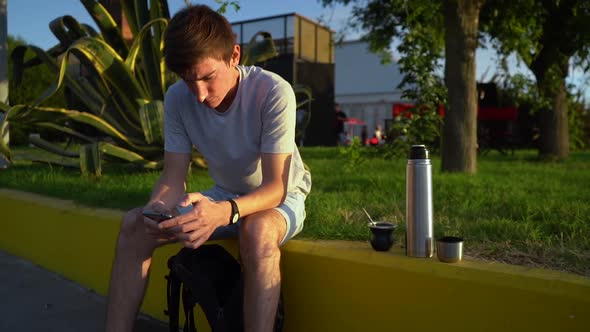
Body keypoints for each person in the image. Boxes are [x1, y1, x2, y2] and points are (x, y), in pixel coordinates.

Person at [104, 5, 311, 332]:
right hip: (223, 195)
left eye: (207, 78)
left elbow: (276, 187)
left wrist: (225, 212)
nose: (199, 93)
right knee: (135, 226)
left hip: (278, 198)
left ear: (234, 56)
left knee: (255, 231)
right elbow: (174, 177)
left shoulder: (272, 91)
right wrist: (157, 208)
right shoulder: (177, 99)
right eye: (188, 80)